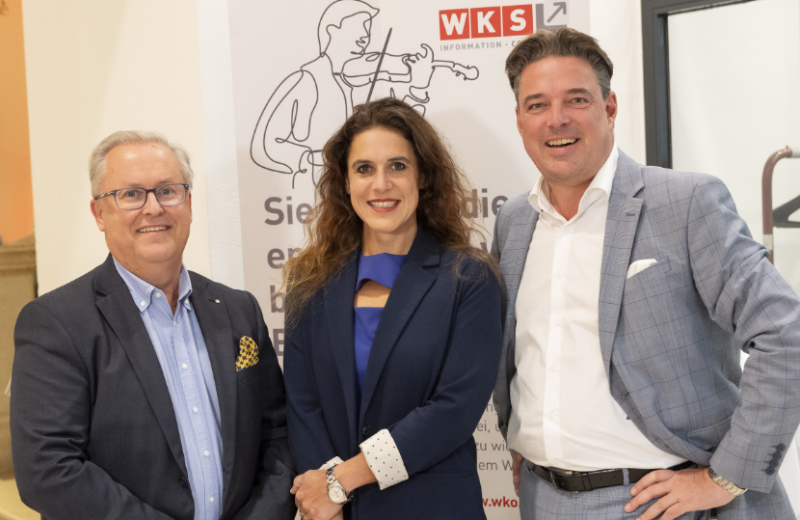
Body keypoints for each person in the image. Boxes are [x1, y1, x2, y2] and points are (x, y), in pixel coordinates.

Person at [491, 28, 800, 520]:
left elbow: (785, 334)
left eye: (576, 99)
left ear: (610, 107)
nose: (556, 119)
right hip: (540, 497)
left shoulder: (685, 203)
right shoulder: (513, 221)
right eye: (537, 105)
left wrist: (726, 477)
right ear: (519, 119)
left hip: (659, 502)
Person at [10, 131, 296, 520]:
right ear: (99, 213)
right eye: (130, 194)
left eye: (167, 191)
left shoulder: (238, 309)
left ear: (188, 204)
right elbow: (47, 470)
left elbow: (277, 436)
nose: (153, 208)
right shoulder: (56, 323)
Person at [283, 98, 502, 520]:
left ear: (423, 177)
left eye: (397, 166)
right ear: (345, 182)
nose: (380, 184)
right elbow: (303, 405)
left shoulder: (468, 277)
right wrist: (327, 500)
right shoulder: (308, 282)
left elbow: (454, 409)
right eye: (364, 169)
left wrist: (342, 480)